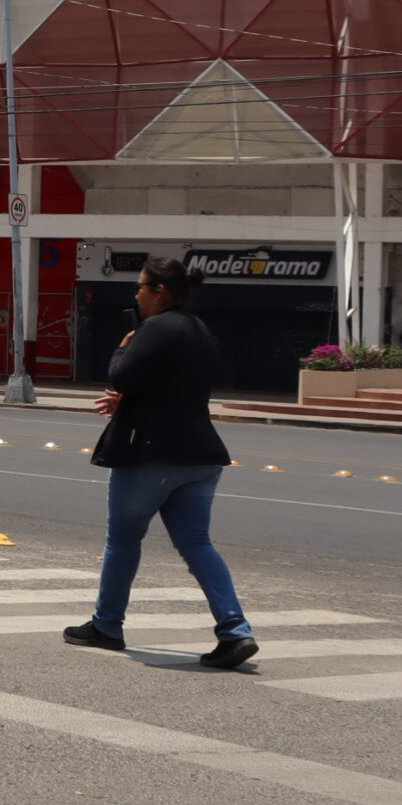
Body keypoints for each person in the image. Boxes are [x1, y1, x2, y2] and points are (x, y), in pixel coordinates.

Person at [68, 256, 257, 669]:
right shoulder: (199, 329)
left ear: (160, 293)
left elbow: (122, 374)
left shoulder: (154, 328)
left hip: (153, 454)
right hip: (201, 455)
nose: (135, 294)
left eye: (141, 287)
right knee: (196, 544)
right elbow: (171, 387)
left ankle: (107, 625)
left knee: (123, 539)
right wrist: (131, 401)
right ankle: (236, 631)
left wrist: (122, 350)